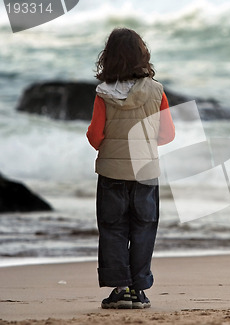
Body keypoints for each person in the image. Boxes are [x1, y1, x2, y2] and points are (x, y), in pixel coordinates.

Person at [86, 28, 175, 309]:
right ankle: (139, 291)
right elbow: (167, 135)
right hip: (146, 173)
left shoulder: (103, 92)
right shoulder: (157, 91)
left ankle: (120, 289)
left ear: (108, 58)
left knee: (113, 229)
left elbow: (95, 136)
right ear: (142, 56)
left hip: (112, 173)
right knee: (143, 229)